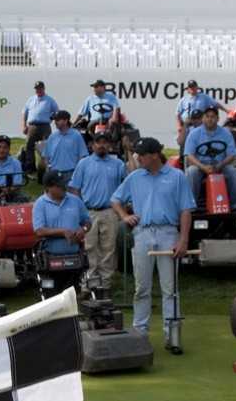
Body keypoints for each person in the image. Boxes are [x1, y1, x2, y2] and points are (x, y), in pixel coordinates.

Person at [110, 138, 191, 343]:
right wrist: (125, 216)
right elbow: (115, 200)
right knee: (141, 288)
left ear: (155, 155)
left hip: (168, 233)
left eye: (142, 155)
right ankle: (140, 334)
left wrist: (183, 240)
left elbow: (185, 210)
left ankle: (172, 336)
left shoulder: (177, 176)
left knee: (170, 289)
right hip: (142, 233)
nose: (138, 158)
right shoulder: (135, 177)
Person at [70, 132, 126, 285]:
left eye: (105, 142)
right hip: (89, 212)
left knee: (109, 248)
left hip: (110, 211)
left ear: (110, 145)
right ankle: (89, 285)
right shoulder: (84, 164)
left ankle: (105, 284)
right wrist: (79, 210)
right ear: (92, 145)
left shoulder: (118, 164)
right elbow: (75, 188)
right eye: (98, 142)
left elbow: (128, 182)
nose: (102, 145)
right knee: (89, 247)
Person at [181, 104, 236, 207]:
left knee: (233, 172)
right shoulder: (194, 133)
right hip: (200, 165)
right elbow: (189, 155)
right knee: (191, 172)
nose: (210, 119)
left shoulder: (226, 133)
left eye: (213, 117)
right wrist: (203, 167)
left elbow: (232, 154)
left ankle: (235, 204)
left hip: (220, 164)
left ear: (218, 119)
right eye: (207, 116)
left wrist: (219, 165)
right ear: (203, 118)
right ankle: (191, 205)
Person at [32, 172, 89, 265]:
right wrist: (62, 232)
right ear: (48, 188)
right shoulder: (40, 204)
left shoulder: (76, 200)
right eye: (59, 186)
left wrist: (84, 229)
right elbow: (39, 231)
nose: (64, 187)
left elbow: (87, 222)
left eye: (64, 184)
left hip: (76, 256)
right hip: (51, 257)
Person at [20, 80, 58, 174]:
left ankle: (46, 167)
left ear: (43, 88)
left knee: (47, 146)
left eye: (40, 88)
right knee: (29, 146)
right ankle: (30, 167)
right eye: (36, 89)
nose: (38, 90)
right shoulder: (31, 99)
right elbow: (25, 112)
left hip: (45, 126)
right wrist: (24, 125)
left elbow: (56, 111)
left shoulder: (49, 100)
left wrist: (51, 118)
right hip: (32, 126)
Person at [42, 110, 87, 187]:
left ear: (66, 121)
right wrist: (47, 168)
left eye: (57, 120)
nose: (55, 122)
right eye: (55, 120)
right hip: (54, 173)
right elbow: (46, 156)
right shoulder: (52, 136)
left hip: (71, 173)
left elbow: (82, 155)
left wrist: (77, 172)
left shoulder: (76, 135)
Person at [174, 79, 218, 149]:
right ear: (188, 89)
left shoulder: (204, 97)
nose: (192, 89)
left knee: (200, 143)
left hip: (200, 124)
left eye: (194, 87)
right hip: (187, 124)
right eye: (190, 87)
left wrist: (226, 111)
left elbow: (215, 104)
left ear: (197, 87)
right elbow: (178, 113)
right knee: (183, 143)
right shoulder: (184, 99)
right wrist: (179, 126)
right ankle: (183, 154)